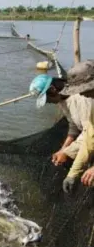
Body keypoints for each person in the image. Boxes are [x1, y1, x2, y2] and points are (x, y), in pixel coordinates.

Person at [29, 73, 92, 169]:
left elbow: (89, 133)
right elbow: (73, 125)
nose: (48, 102)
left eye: (47, 99)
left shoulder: (82, 99)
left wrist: (66, 152)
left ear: (52, 89)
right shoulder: (62, 100)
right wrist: (63, 149)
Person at [48, 61, 94, 193]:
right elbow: (90, 140)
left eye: (85, 90)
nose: (82, 94)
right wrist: (72, 174)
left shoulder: (86, 101)